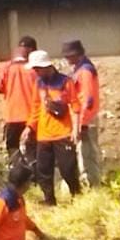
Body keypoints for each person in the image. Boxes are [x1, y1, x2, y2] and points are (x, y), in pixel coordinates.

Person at [24, 50, 82, 205]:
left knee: (68, 170)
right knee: (44, 171)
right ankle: (49, 201)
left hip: (63, 134)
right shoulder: (39, 84)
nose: (35, 72)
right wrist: (30, 127)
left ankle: (77, 197)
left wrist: (76, 129)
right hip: (43, 135)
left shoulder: (65, 82)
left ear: (45, 66)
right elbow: (36, 108)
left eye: (37, 69)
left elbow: (76, 106)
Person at [0, 36, 40, 160]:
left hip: (12, 116)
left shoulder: (7, 67)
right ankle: (34, 173)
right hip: (32, 117)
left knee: (13, 146)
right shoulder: (36, 69)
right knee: (33, 147)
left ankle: (19, 172)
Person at [63, 40, 101, 186]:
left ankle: (92, 187)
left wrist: (80, 124)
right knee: (83, 154)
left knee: (87, 156)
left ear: (77, 55)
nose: (67, 59)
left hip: (86, 121)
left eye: (69, 56)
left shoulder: (84, 71)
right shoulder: (80, 69)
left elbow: (87, 99)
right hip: (82, 119)